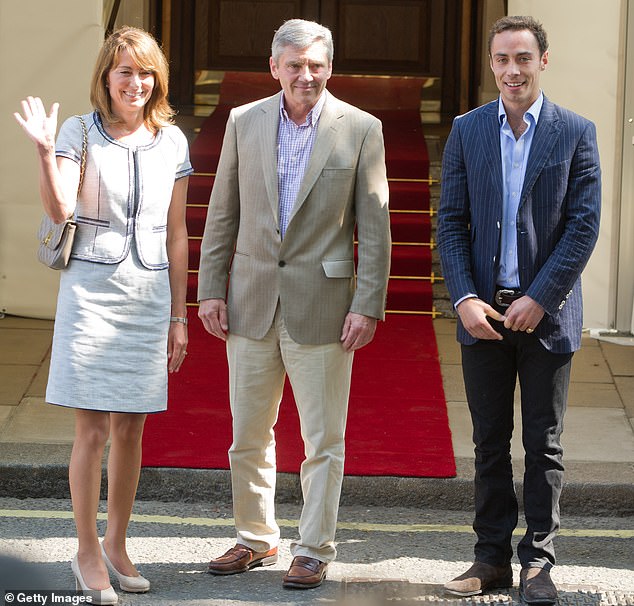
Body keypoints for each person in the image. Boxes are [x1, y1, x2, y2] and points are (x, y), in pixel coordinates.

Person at [198, 18, 391, 590]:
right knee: (247, 435)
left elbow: (375, 226)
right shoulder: (243, 121)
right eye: (295, 65)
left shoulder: (360, 128)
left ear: (329, 67)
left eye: (316, 65)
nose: (305, 75)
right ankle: (256, 538)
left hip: (326, 305)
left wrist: (368, 302)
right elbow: (221, 211)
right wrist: (211, 287)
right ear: (274, 68)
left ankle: (314, 547)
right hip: (252, 298)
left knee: (322, 439)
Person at [14, 26, 192, 605]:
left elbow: (179, 231)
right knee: (91, 431)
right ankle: (86, 549)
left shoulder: (172, 141)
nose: (135, 83)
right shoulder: (78, 131)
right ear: (106, 76)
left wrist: (178, 314)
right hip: (91, 292)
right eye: (124, 72)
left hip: (148, 295)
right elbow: (61, 206)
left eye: (145, 73)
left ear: (156, 79)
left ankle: (117, 544)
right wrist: (44, 151)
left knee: (133, 427)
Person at [437, 15, 601, 604]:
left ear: (542, 61)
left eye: (523, 59)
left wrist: (542, 295)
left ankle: (538, 561)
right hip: (482, 315)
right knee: (487, 442)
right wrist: (462, 299)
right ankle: (489, 559)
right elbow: (451, 222)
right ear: (491, 64)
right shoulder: (467, 130)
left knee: (544, 445)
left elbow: (583, 227)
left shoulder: (575, 132)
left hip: (547, 317)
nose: (512, 70)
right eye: (502, 59)